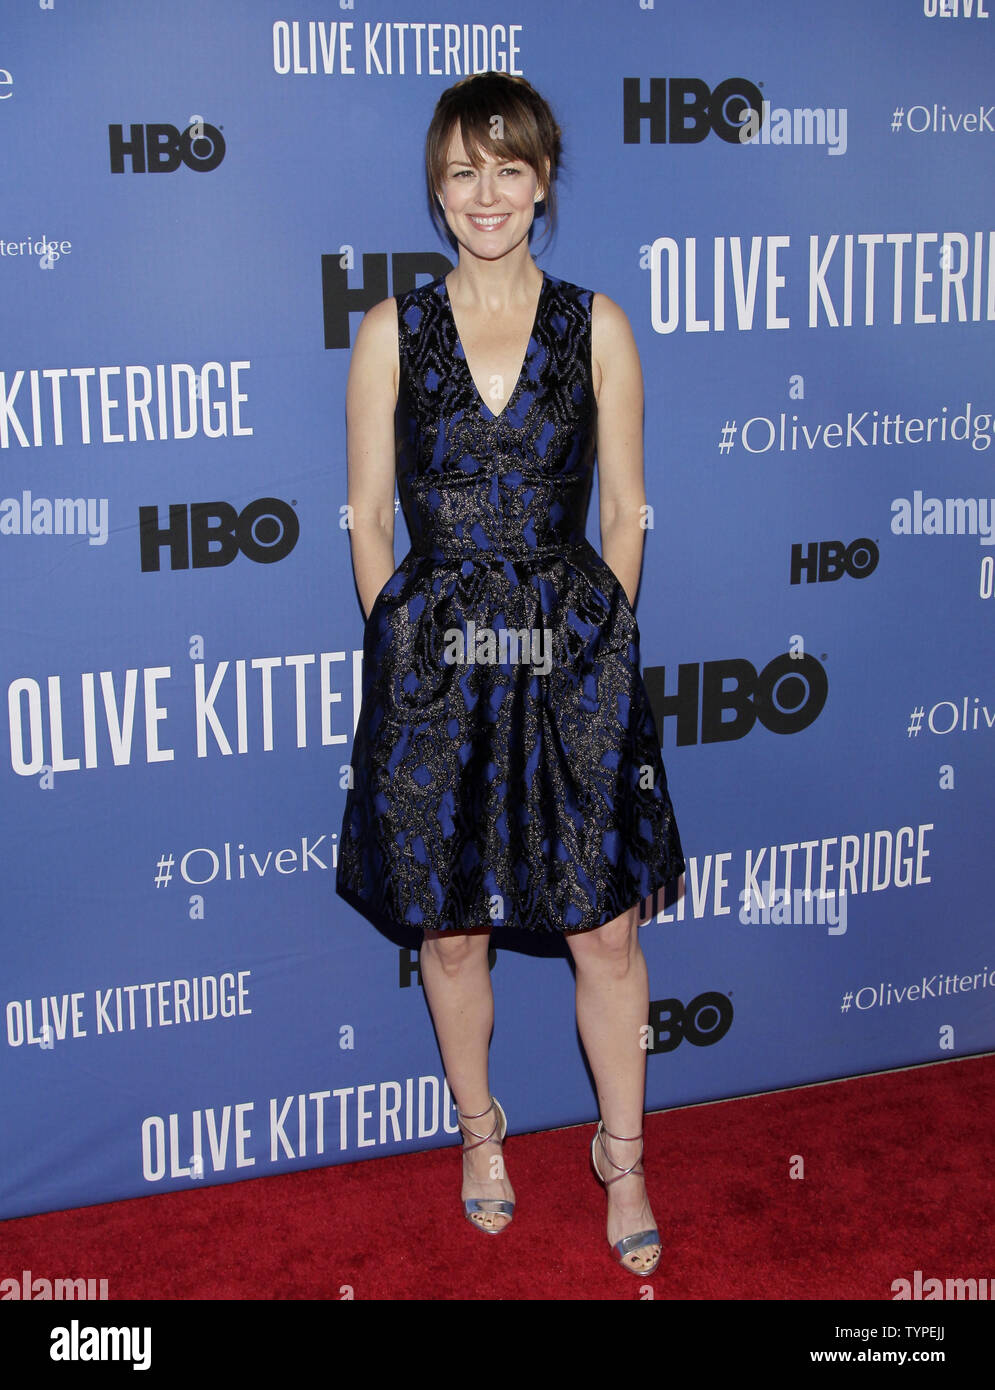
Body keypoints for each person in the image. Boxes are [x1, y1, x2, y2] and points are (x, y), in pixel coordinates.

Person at [336, 72, 684, 1275]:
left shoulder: (598, 324)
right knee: (447, 936)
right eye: (461, 170)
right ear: (438, 189)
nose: (485, 193)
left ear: (542, 179)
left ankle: (621, 1151)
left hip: (567, 662)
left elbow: (629, 512)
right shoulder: (390, 330)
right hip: (437, 669)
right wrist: (403, 639)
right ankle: (479, 1134)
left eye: (507, 167)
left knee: (605, 932)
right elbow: (368, 519)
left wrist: (595, 653)